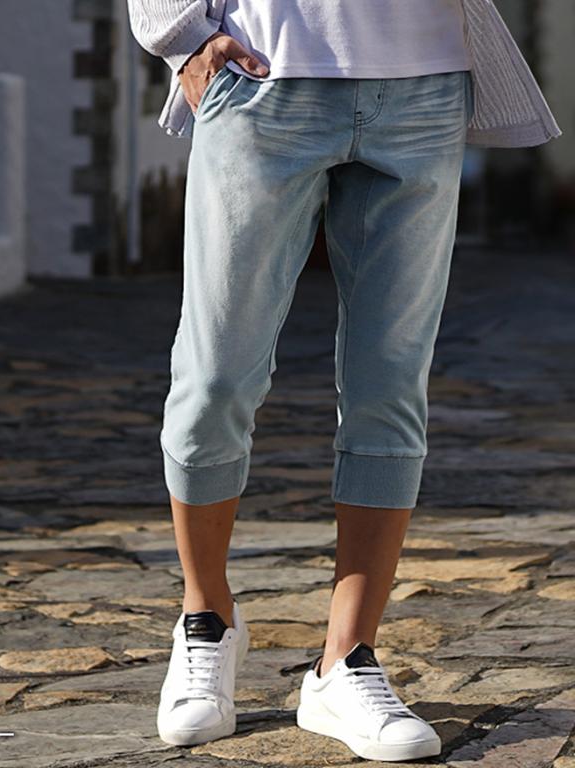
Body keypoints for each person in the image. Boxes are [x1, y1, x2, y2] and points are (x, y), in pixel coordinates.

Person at [127, 0, 561, 762]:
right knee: (214, 377)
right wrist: (182, 37)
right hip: (261, 75)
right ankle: (206, 620)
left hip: (425, 82)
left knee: (389, 383)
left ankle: (346, 660)